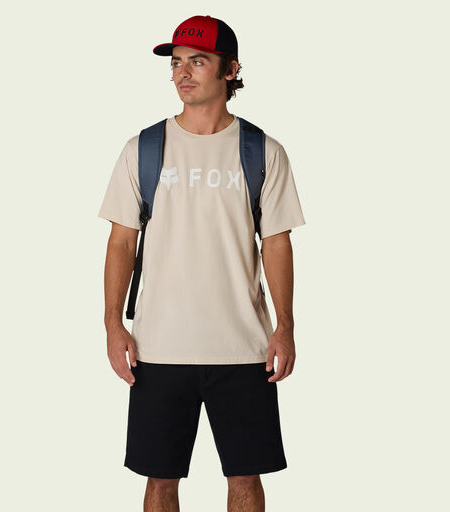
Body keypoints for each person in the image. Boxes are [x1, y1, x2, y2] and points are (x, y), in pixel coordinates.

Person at [98, 14, 306, 512]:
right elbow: (121, 242)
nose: (182, 73)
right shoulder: (143, 149)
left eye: (197, 61)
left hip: (245, 348)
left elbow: (276, 243)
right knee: (160, 482)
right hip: (158, 347)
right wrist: (112, 323)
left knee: (245, 479)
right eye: (176, 63)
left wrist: (285, 327)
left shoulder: (262, 151)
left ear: (230, 70)